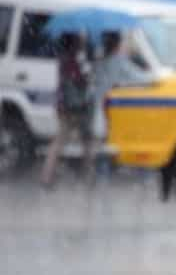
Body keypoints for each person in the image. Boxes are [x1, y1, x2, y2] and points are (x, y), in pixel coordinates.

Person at [90, 32, 152, 179]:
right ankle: (141, 173)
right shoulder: (119, 61)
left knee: (104, 143)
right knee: (131, 141)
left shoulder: (99, 61)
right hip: (117, 109)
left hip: (100, 108)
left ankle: (101, 175)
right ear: (118, 44)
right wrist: (156, 77)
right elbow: (139, 77)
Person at [40, 32, 95, 188]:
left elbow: (63, 84)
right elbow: (84, 81)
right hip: (77, 108)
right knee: (87, 141)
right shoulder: (78, 60)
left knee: (59, 141)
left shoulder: (63, 59)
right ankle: (88, 177)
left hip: (63, 106)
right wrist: (88, 76)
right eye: (81, 39)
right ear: (76, 42)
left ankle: (46, 176)